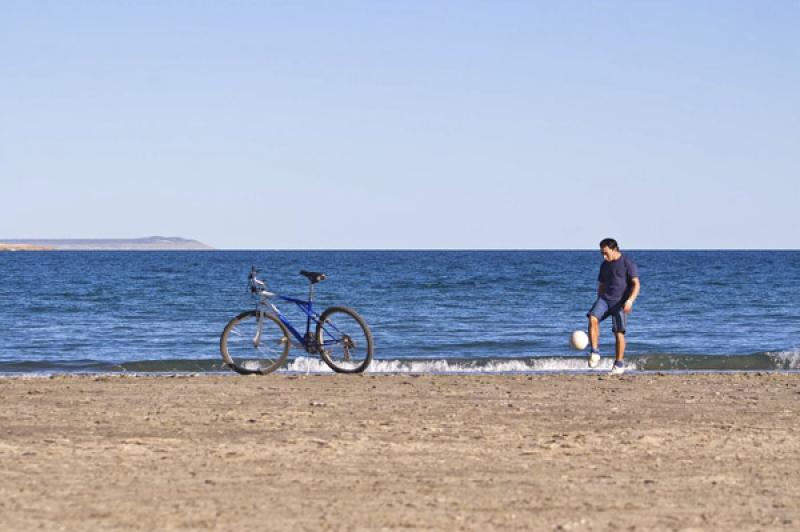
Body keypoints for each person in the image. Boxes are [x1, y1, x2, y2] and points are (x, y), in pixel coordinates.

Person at [587, 238, 640, 375]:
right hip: (605, 300)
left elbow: (636, 284)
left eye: (605, 253)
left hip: (620, 302)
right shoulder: (604, 265)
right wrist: (598, 299)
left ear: (614, 249)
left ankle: (619, 364)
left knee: (618, 332)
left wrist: (630, 301)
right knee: (593, 318)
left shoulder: (627, 263)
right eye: (601, 254)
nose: (604, 256)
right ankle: (595, 352)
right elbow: (602, 284)